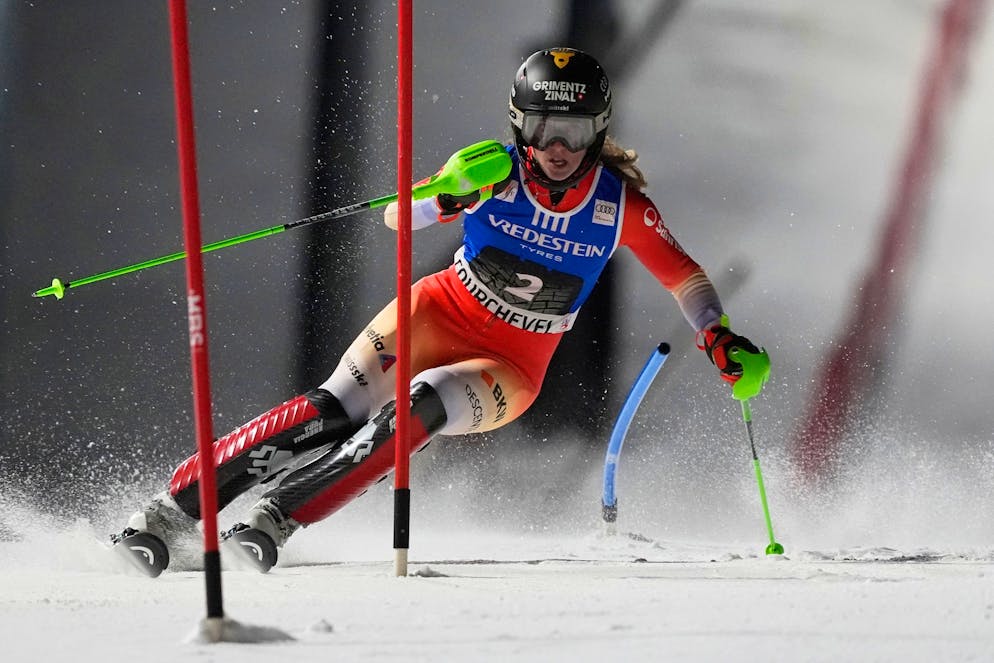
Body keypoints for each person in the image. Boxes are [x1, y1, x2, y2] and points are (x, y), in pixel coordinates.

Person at [112, 47, 768, 575]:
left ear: (597, 133)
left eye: (570, 132)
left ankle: (280, 514)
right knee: (335, 407)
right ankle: (173, 509)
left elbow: (683, 276)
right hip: (435, 312)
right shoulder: (492, 169)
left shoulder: (616, 205)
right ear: (520, 125)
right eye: (540, 129)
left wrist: (716, 335)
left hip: (510, 362)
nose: (555, 147)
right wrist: (448, 198)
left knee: (422, 403)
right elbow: (401, 216)